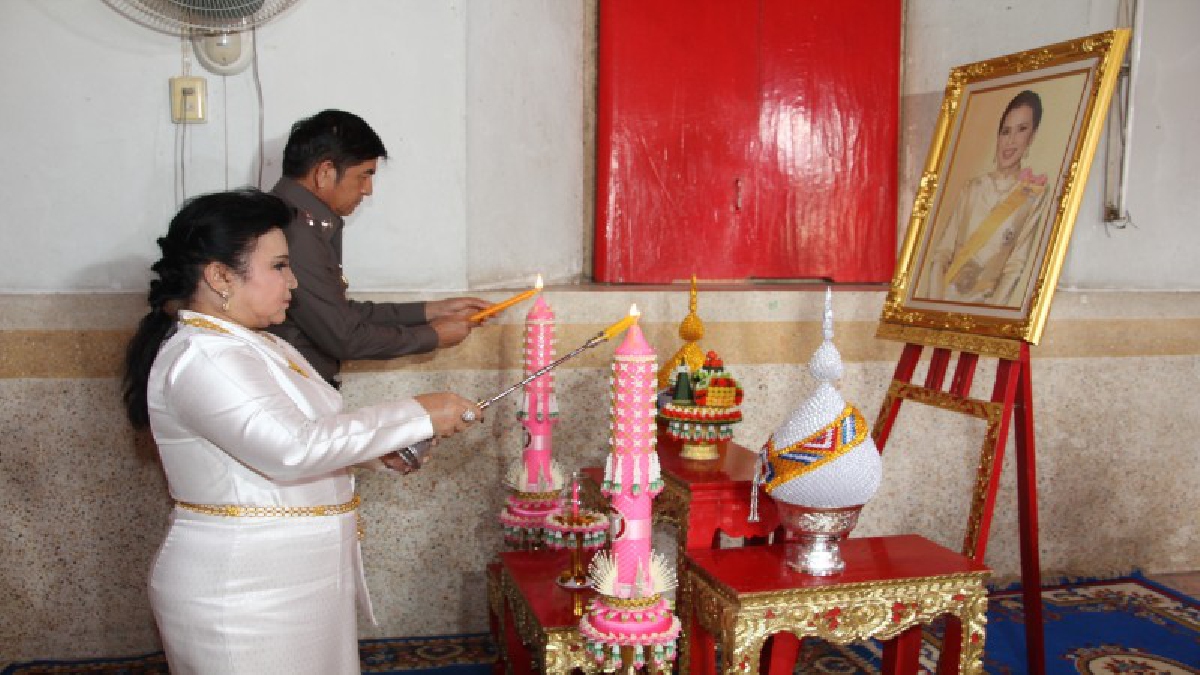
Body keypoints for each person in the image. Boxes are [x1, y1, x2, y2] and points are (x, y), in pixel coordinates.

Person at [122, 189, 482, 674]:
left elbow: (311, 433)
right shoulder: (204, 356)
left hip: (300, 582)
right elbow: (291, 449)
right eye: (279, 266)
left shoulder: (262, 345)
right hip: (245, 594)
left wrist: (381, 452)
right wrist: (416, 412)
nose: (293, 281)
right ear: (220, 276)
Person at [268, 109, 492, 388]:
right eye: (363, 176)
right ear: (325, 173)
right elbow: (344, 336)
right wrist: (432, 335)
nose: (368, 190)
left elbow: (339, 314)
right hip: (292, 390)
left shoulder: (301, 221)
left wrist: (431, 311)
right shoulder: (294, 230)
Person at [917, 89, 1051, 306]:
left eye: (1021, 130)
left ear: (1032, 136)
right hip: (946, 300)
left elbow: (1015, 266)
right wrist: (935, 308)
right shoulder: (973, 189)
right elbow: (942, 254)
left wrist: (992, 318)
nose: (1011, 141)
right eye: (1005, 131)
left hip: (986, 308)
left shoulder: (1031, 196)